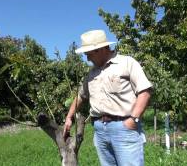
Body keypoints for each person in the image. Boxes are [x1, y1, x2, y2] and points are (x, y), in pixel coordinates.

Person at [63, 29, 152, 166]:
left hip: (124, 128)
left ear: (100, 49)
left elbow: (145, 91)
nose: (87, 58)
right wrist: (69, 117)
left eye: (89, 54)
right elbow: (80, 96)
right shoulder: (91, 74)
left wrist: (133, 120)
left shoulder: (127, 63)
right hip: (100, 131)